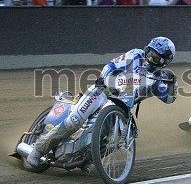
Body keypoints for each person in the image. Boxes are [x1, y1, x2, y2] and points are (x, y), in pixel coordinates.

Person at [27, 37, 178, 167]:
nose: (150, 58)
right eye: (149, 52)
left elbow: (170, 99)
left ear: (164, 62)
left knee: (114, 139)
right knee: (74, 121)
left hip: (122, 109)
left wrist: (174, 85)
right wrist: (103, 77)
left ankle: (87, 159)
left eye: (155, 57)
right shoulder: (136, 54)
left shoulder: (160, 78)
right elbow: (111, 65)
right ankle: (37, 150)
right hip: (102, 92)